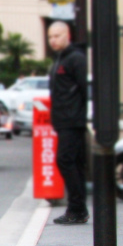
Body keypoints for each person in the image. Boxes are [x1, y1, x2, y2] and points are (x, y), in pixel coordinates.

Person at [46, 20, 88, 225]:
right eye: (50, 37)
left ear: (67, 35)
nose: (53, 40)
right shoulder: (60, 60)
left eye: (57, 35)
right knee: (75, 163)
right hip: (64, 120)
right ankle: (78, 208)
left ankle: (76, 207)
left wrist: (81, 115)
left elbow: (84, 89)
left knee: (65, 160)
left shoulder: (76, 59)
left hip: (73, 120)